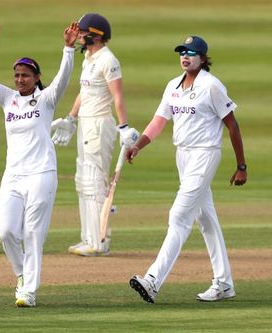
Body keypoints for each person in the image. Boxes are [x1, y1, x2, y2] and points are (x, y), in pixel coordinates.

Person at [127, 36, 247, 303]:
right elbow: (159, 121)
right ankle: (224, 283)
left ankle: (152, 281)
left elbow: (233, 125)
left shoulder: (212, 86)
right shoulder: (173, 85)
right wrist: (138, 145)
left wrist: (241, 166)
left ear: (203, 59)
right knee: (206, 219)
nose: (185, 55)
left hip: (205, 155)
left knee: (179, 216)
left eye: (192, 52)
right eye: (182, 51)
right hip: (183, 155)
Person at [0, 21, 78, 307]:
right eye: (17, 75)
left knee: (33, 233)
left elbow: (64, 78)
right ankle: (21, 274)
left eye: (25, 75)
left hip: (42, 173)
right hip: (14, 175)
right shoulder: (8, 99)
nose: (20, 79)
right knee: (6, 230)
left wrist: (68, 48)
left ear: (35, 78)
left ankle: (29, 291)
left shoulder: (45, 100)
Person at [51, 13, 138, 256]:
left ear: (95, 35)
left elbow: (118, 95)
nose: (78, 35)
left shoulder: (108, 60)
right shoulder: (88, 59)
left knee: (95, 182)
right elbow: (83, 92)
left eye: (81, 31)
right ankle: (88, 237)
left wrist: (123, 127)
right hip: (85, 124)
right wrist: (71, 117)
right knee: (83, 182)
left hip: (100, 125)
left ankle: (99, 240)